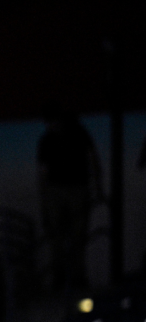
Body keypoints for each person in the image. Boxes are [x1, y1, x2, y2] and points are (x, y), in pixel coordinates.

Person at [37, 105, 102, 292]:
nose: (51, 125)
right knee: (57, 235)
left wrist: (97, 187)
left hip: (77, 189)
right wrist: (44, 200)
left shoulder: (79, 134)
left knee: (78, 235)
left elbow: (92, 159)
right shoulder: (47, 140)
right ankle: (60, 276)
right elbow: (42, 172)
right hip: (56, 191)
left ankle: (77, 276)